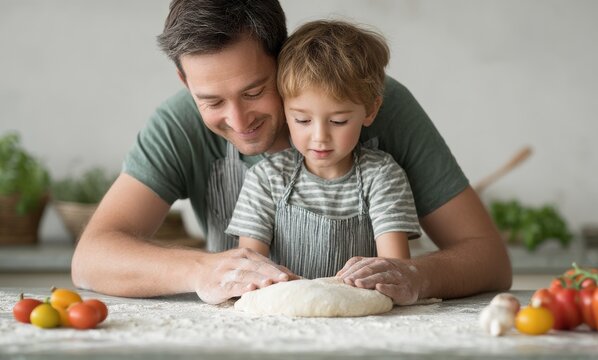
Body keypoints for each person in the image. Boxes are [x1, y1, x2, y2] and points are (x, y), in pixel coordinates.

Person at [71, 0, 512, 306]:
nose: (239, 120)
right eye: (212, 101)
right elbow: (93, 257)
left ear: (282, 60)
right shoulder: (177, 124)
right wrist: (200, 272)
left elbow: (488, 258)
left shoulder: (369, 101)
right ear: (185, 83)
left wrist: (415, 276)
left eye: (255, 91)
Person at [226, 20, 421, 280]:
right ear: (284, 110)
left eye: (338, 121)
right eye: (302, 120)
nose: (320, 137)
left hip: (363, 316)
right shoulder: (266, 178)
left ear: (371, 110)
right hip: (284, 313)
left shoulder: (383, 176)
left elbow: (395, 272)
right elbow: (250, 270)